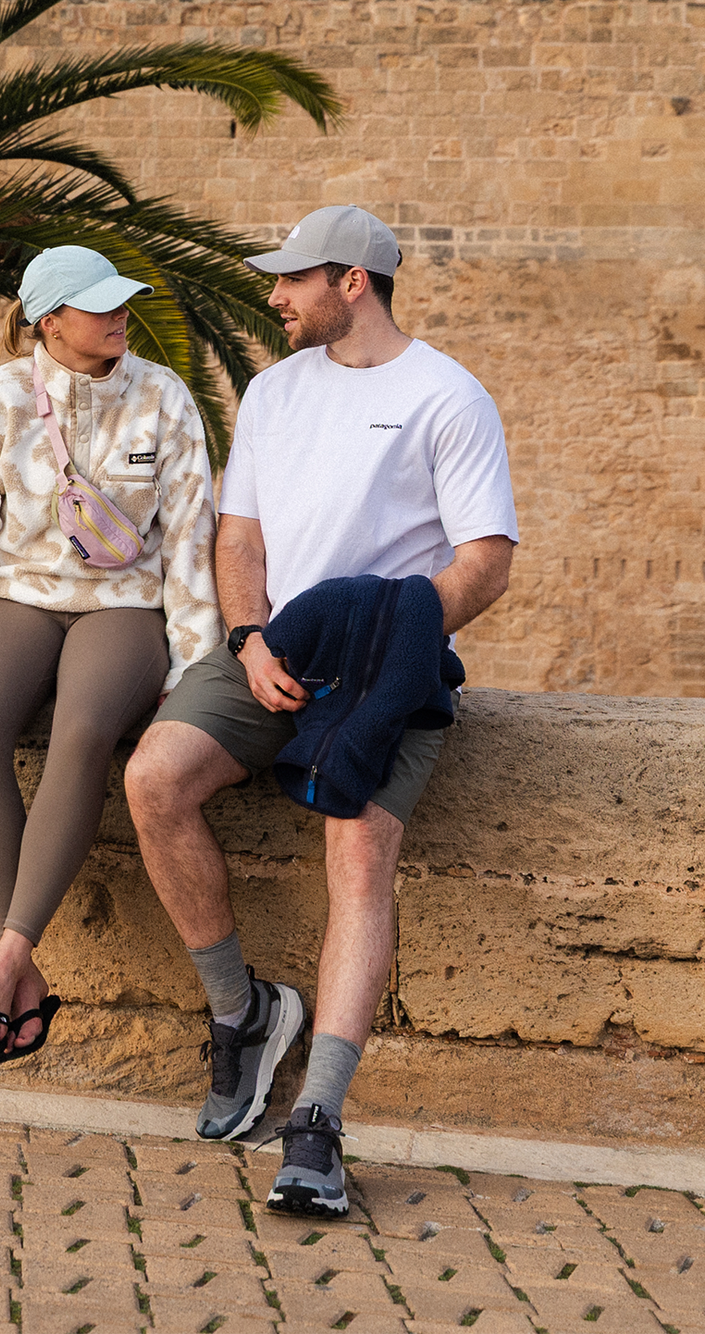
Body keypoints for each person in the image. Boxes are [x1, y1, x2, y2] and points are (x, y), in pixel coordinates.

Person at [124, 205, 518, 1217]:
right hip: (273, 654)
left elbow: (485, 561)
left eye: (292, 278)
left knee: (358, 856)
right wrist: (252, 640)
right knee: (154, 779)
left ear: (352, 281)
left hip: (388, 669)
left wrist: (380, 629)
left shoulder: (447, 396)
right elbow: (240, 535)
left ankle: (319, 1121)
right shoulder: (270, 392)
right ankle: (242, 1012)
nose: (273, 295)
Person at [0, 245, 221, 1063]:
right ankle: (26, 977)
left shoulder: (162, 398)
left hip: (124, 608)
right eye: (100, 305)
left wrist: (191, 669)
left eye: (122, 303)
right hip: (21, 600)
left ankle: (7, 957)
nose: (120, 315)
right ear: (50, 322)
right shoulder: (1, 399)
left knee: (83, 731)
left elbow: (190, 544)